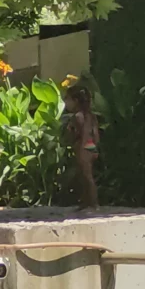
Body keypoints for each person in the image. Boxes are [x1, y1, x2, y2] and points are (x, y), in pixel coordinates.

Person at [61, 78, 101, 210]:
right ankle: (87, 202)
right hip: (91, 145)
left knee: (86, 176)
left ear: (76, 101)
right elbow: (95, 133)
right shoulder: (91, 115)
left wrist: (78, 144)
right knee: (84, 175)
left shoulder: (78, 116)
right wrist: (95, 146)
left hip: (83, 146)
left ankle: (93, 203)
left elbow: (81, 132)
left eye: (67, 99)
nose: (66, 103)